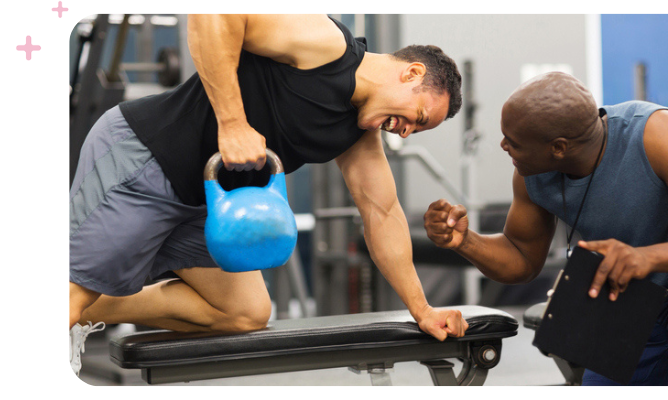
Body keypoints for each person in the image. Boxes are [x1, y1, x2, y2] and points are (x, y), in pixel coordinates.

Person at [69, 14, 469, 375]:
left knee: (245, 313)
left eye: (415, 132)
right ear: (412, 73)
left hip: (201, 202)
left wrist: (423, 309)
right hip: (146, 158)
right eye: (417, 118)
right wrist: (232, 123)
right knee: (73, 293)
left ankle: (91, 305)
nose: (404, 132)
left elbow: (382, 213)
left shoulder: (358, 136)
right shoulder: (324, 44)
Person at [424, 72, 668, 386]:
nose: (503, 146)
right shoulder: (532, 170)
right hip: (627, 302)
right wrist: (465, 241)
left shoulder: (659, 134)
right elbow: (521, 258)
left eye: (513, 142)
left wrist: (646, 257)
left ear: (558, 147)